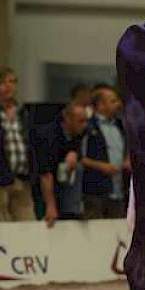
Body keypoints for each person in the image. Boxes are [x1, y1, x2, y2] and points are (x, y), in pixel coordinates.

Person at [35, 102, 89, 226]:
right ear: (67, 119)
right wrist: (50, 205)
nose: (84, 125)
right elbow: (45, 174)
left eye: (86, 121)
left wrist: (74, 153)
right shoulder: (48, 136)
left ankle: (74, 209)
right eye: (80, 121)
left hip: (65, 187)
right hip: (42, 185)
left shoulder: (78, 134)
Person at [81, 86, 129, 219]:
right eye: (113, 101)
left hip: (119, 190)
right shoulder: (88, 126)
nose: (118, 104)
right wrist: (101, 166)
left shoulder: (121, 126)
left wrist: (127, 159)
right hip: (96, 191)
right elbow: (80, 157)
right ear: (101, 105)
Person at [0, 66, 35, 221]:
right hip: (1, 180)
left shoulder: (22, 112)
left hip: (22, 178)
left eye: (13, 82)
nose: (9, 87)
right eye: (4, 82)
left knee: (27, 222)